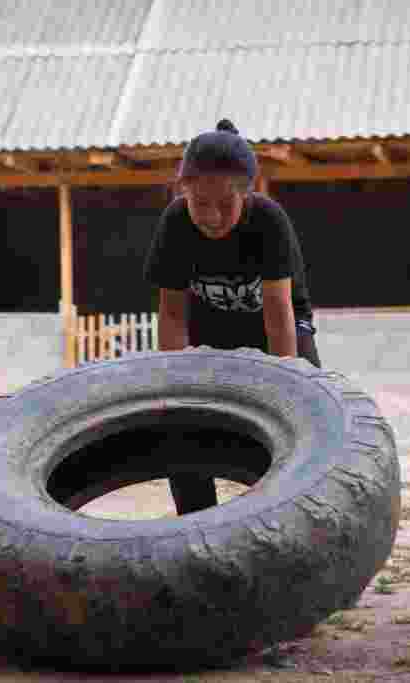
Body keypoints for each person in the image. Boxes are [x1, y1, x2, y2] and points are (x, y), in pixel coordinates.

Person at [143, 119, 320, 515]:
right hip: (211, 330)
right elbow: (172, 314)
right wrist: (176, 382)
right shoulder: (174, 224)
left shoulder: (269, 222)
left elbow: (278, 314)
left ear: (248, 194)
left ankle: (290, 512)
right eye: (200, 204)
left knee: (305, 417)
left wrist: (284, 388)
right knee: (180, 429)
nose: (212, 216)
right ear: (183, 191)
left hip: (280, 327)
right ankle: (197, 524)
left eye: (226, 205)